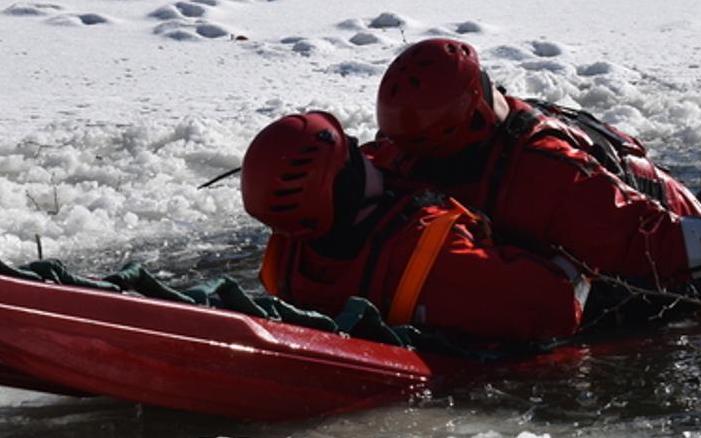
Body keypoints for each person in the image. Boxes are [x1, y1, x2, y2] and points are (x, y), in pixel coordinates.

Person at [372, 38, 701, 307]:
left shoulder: (551, 180)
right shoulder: (448, 143)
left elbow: (664, 251)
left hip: (690, 263)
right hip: (649, 220)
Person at [242, 112, 592, 343]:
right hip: (498, 300)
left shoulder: (289, 249)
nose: (364, 152)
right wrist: (580, 260)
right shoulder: (440, 260)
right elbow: (558, 309)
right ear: (344, 185)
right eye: (351, 152)